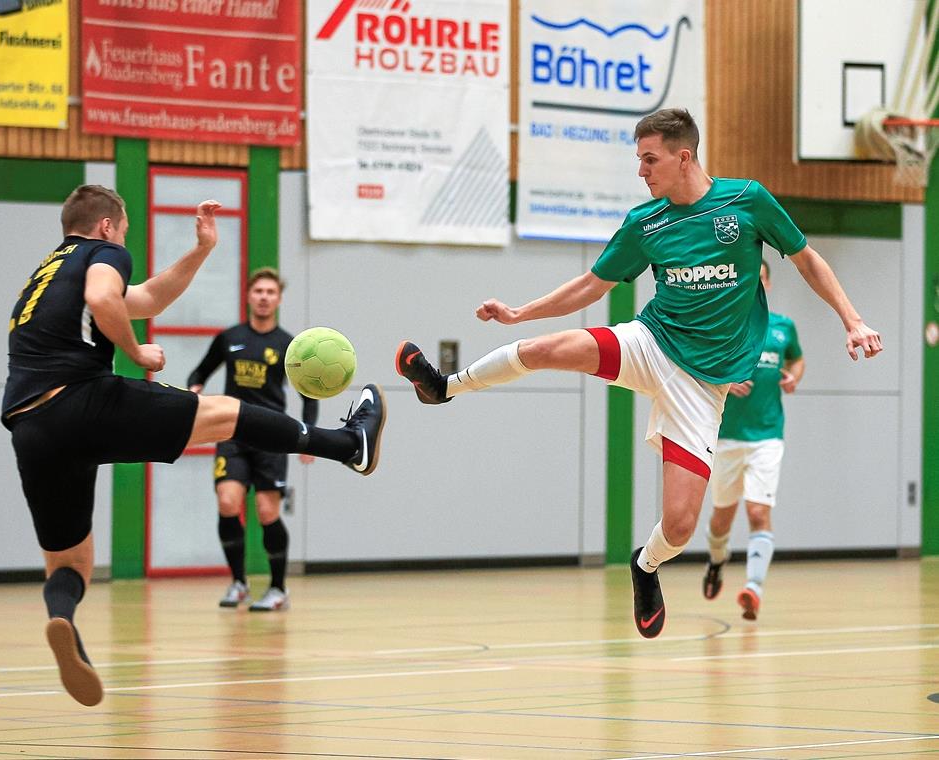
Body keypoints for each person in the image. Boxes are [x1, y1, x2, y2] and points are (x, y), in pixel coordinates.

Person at [395, 108, 881, 639]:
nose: (642, 171)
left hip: (703, 386)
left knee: (679, 526)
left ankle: (645, 566)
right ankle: (444, 387)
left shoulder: (747, 201)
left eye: (650, 159)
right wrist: (518, 312)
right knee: (545, 348)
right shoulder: (645, 223)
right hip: (651, 343)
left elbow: (806, 258)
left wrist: (852, 321)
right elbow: (590, 286)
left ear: (684, 156)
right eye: (639, 160)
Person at [2, 185, 385, 707]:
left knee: (69, 564)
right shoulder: (103, 252)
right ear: (108, 225)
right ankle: (348, 445)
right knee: (226, 413)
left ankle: (63, 622)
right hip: (79, 399)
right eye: (126, 231)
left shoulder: (43, 276)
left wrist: (202, 250)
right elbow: (104, 297)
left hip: (29, 426)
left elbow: (149, 298)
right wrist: (134, 349)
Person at [187, 267, 315, 612]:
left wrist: (308, 437)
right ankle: (238, 583)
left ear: (279, 299)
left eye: (270, 292)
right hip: (231, 432)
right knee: (228, 502)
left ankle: (277, 589)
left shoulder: (289, 346)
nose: (263, 297)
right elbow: (199, 371)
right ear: (248, 295)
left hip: (272, 436)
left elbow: (310, 394)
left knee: (266, 511)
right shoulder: (229, 338)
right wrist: (193, 389)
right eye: (258, 291)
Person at [703, 261, 804, 621]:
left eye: (761, 279)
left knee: (758, 511)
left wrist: (793, 377)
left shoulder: (782, 327)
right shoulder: (721, 324)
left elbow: (797, 360)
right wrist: (724, 383)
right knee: (721, 520)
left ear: (768, 285)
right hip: (727, 436)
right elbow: (698, 369)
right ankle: (717, 561)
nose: (755, 285)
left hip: (767, 435)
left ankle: (753, 590)